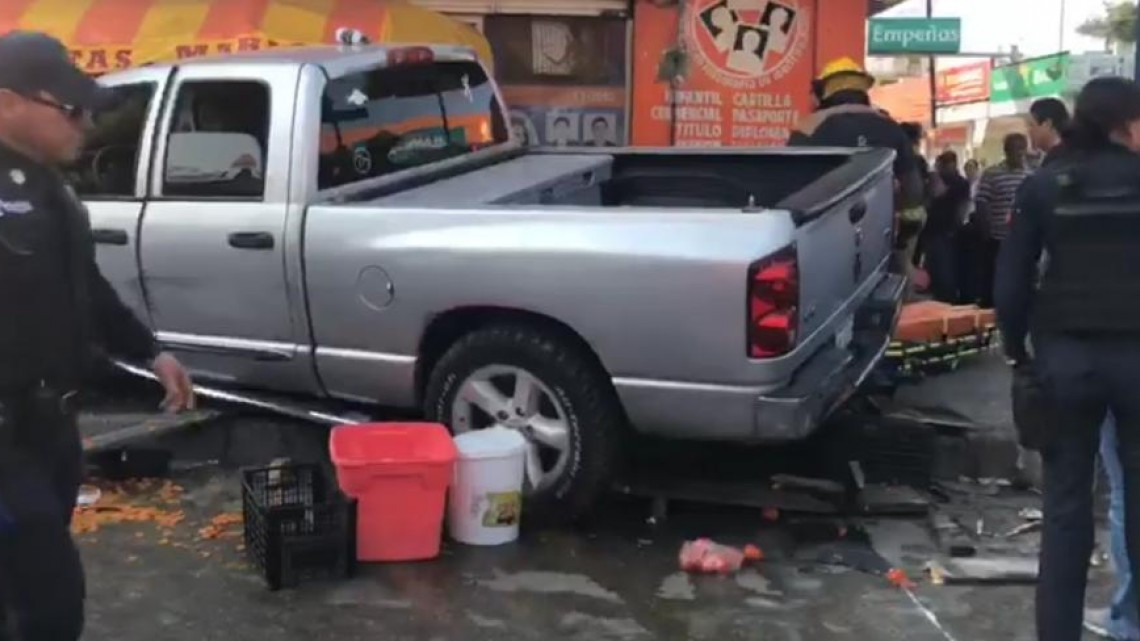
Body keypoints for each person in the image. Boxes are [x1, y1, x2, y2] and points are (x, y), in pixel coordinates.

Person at [0, 31, 195, 640]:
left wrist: (151, 353)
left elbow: (86, 286)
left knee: (23, 588)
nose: (86, 123)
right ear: (6, 103)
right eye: (70, 110)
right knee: (49, 599)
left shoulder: (51, 187)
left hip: (51, 427)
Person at [996, 76, 1140, 641]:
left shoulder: (1045, 184)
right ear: (1126, 123)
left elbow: (1011, 283)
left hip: (1065, 360)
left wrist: (1017, 351)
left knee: (1065, 508)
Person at [787, 57, 924, 277]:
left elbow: (791, 189)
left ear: (824, 91)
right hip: (881, 242)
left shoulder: (808, 129)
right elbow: (913, 193)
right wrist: (903, 238)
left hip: (824, 245)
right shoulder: (891, 129)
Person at [975, 132, 1031, 307]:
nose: (1018, 154)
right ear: (1006, 151)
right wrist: (987, 232)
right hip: (997, 238)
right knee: (994, 278)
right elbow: (981, 202)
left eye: (1021, 149)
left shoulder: (1030, 175)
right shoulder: (992, 174)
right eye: (1014, 149)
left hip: (1022, 239)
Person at [922, 151, 970, 302]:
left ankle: (943, 298)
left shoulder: (957, 183)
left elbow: (936, 197)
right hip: (939, 230)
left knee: (943, 270)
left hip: (943, 230)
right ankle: (943, 298)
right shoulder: (960, 182)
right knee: (940, 269)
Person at [1028, 97, 1071, 166]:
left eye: (1031, 125)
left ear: (1048, 124)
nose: (1029, 131)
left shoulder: (1059, 163)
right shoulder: (1074, 152)